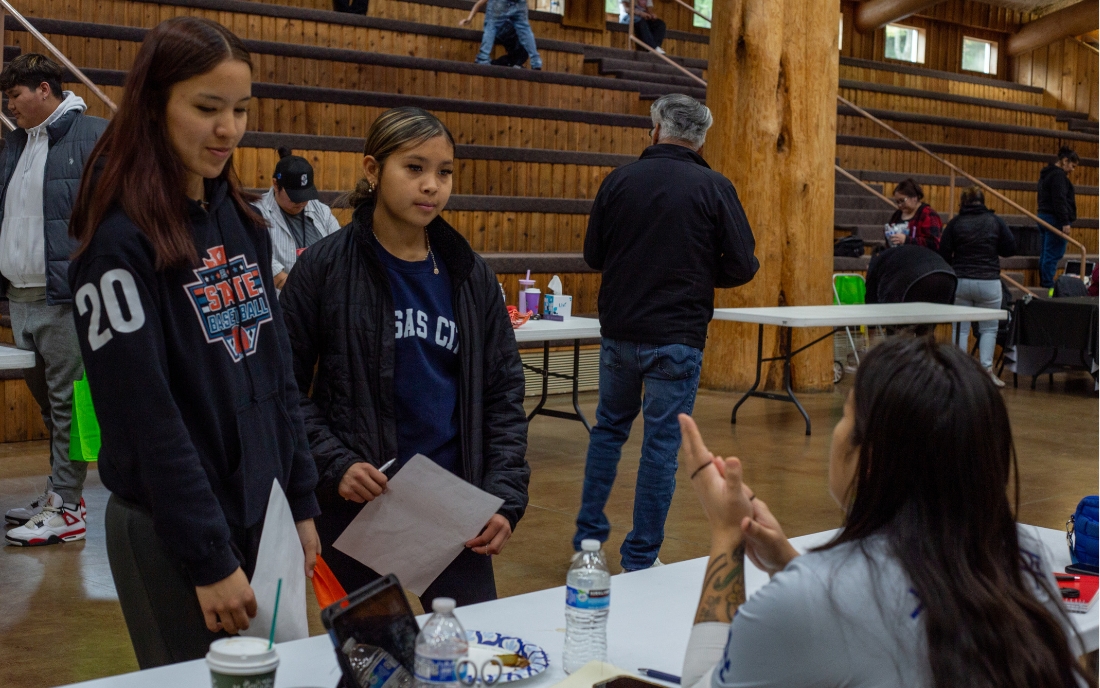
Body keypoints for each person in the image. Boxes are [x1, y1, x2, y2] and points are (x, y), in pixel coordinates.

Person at [67, 17, 320, 668]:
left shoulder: (244, 221)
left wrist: (301, 501)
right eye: (207, 108)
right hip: (175, 532)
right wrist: (207, 556)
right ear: (154, 105)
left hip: (261, 518)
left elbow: (277, 372)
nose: (228, 129)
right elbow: (145, 418)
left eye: (240, 110)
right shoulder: (119, 246)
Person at [677, 336, 1094, 688]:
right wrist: (789, 564)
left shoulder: (810, 599)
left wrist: (728, 535)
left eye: (846, 415)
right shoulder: (1026, 556)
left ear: (870, 457)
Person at [279, 107, 530, 609]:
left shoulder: (469, 274)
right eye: (414, 168)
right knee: (375, 662)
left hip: (453, 507)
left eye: (444, 172)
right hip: (359, 506)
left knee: (469, 655)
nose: (432, 185)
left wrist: (503, 496)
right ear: (373, 170)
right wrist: (335, 464)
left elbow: (503, 394)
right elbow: (282, 389)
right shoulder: (323, 270)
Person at [573, 93, 758, 572]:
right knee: (660, 447)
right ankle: (640, 557)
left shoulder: (619, 181)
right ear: (700, 139)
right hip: (677, 335)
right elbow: (742, 264)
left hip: (620, 332)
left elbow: (594, 256)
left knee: (608, 432)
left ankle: (586, 549)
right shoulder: (715, 187)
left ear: (655, 129)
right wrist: (695, 273)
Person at [0, 54, 107, 545]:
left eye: (14, 97)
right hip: (20, 298)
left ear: (44, 89)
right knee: (47, 404)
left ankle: (66, 507)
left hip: (65, 298)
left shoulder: (93, 136)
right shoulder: (17, 143)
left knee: (67, 404)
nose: (10, 107)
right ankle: (60, 494)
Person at [939, 187, 1015, 387]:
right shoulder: (995, 221)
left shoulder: (955, 223)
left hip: (961, 280)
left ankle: (958, 373)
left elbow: (944, 253)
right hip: (989, 281)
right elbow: (1010, 248)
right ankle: (987, 372)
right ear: (983, 202)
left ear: (962, 203)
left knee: (961, 329)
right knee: (989, 328)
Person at [253, 147, 341, 290]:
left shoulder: (322, 211)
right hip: (280, 303)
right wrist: (305, 295)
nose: (301, 202)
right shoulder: (256, 213)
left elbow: (340, 252)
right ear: (276, 184)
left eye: (305, 196)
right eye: (295, 197)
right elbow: (264, 263)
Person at [1036, 146, 1078, 290]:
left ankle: (1045, 283)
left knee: (1046, 253)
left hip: (1043, 216)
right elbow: (1059, 199)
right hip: (1054, 219)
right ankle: (1048, 287)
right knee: (1053, 254)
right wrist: (1065, 221)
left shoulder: (1046, 174)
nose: (1073, 170)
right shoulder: (1059, 176)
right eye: (1072, 166)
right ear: (1065, 161)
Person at [460, 0, 543, 71]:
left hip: (501, 7)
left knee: (491, 26)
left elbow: (479, 3)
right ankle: (536, 62)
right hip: (519, 2)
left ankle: (483, 58)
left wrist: (470, 18)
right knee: (525, 30)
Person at [864, 243, 956, 305]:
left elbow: (870, 298)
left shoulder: (876, 261)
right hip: (948, 275)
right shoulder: (899, 255)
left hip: (917, 277)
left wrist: (871, 330)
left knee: (897, 325)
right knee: (926, 326)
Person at [886, 178, 942, 250]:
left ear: (914, 197)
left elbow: (934, 244)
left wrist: (907, 240)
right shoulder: (897, 214)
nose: (899, 205)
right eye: (897, 202)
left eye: (902, 200)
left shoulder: (929, 214)